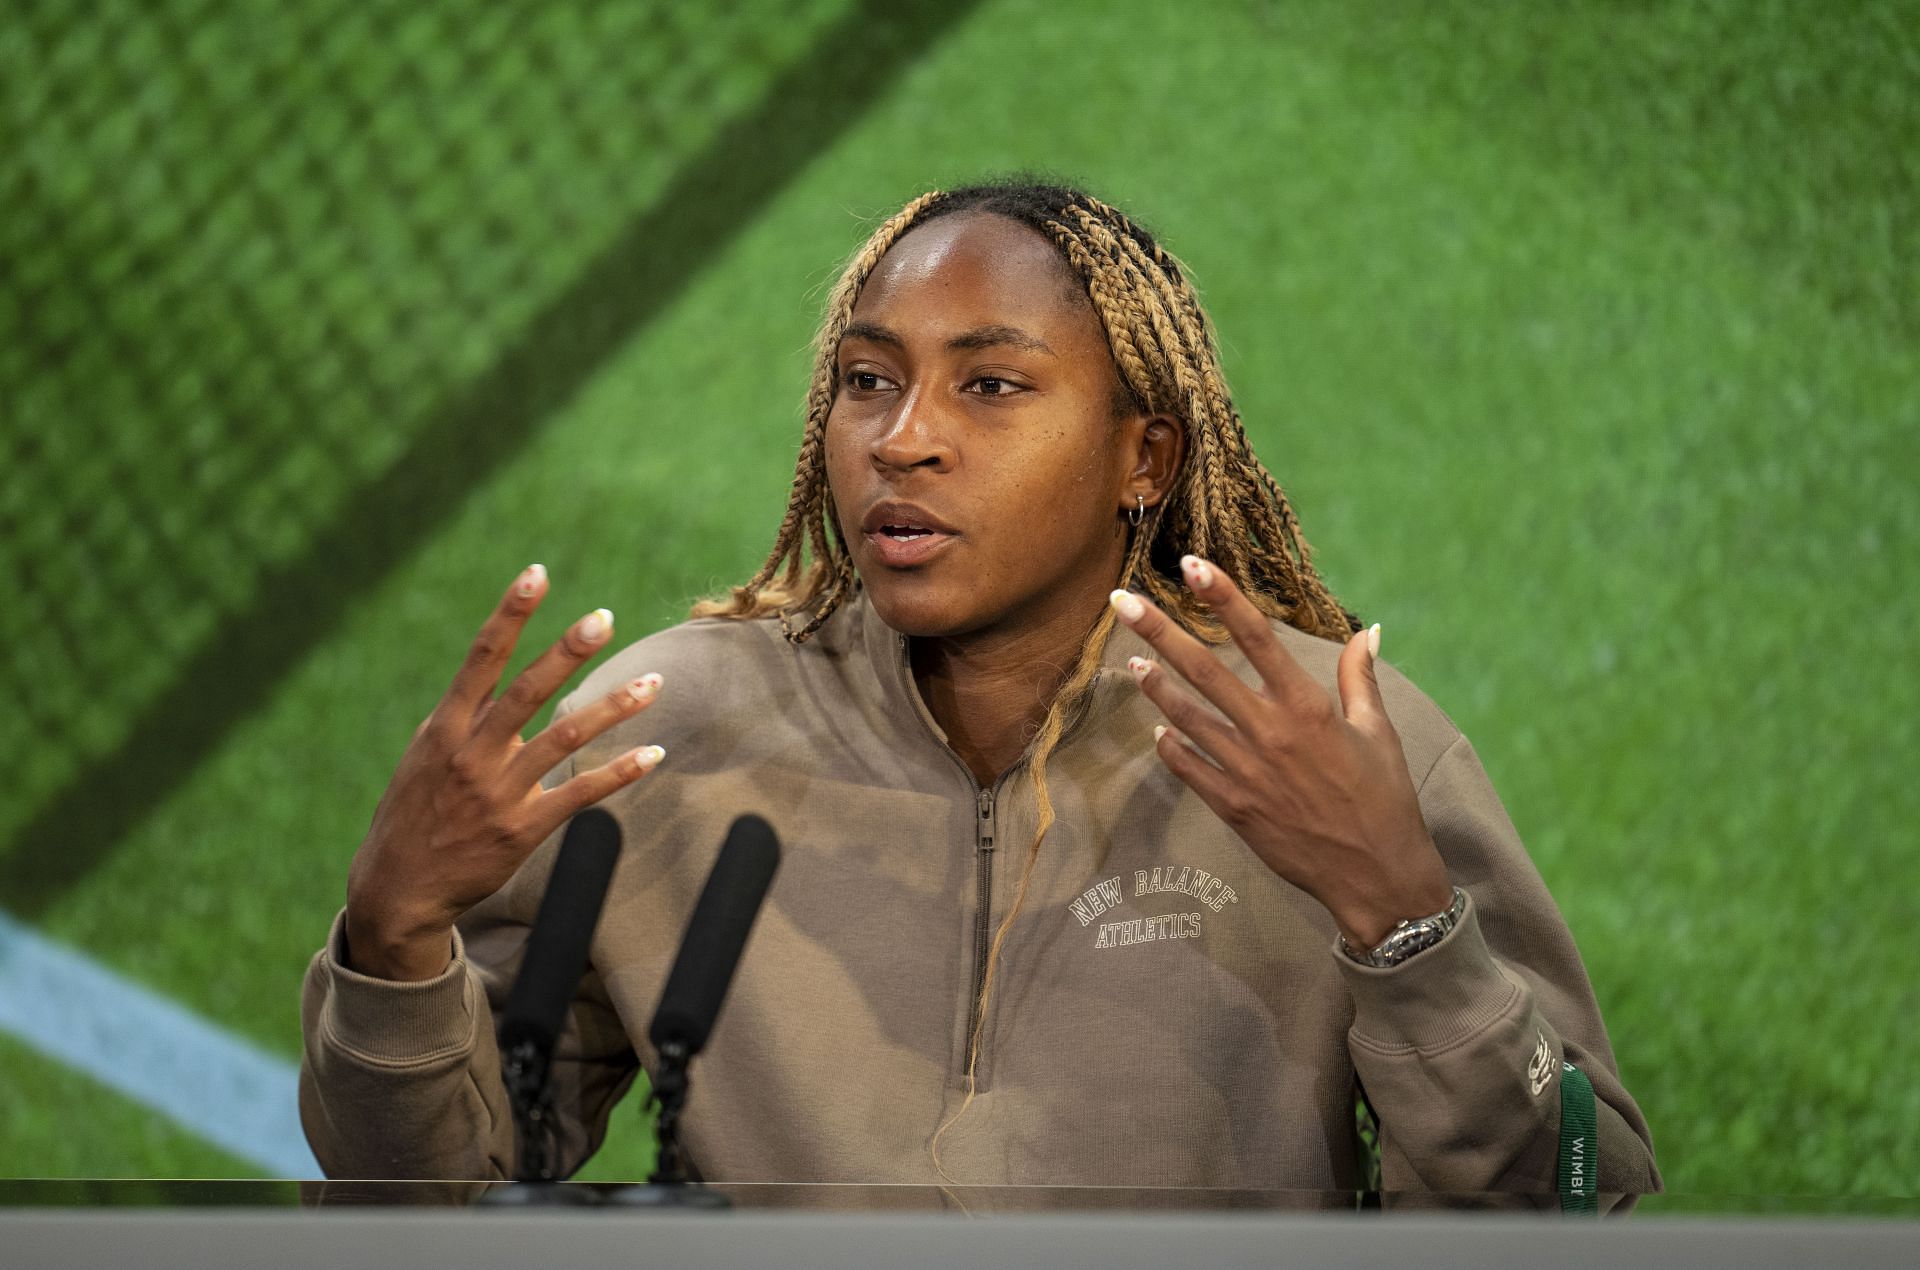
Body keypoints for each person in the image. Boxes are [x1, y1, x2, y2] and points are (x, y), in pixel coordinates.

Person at [300, 179, 1660, 1196]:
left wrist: (1406, 920)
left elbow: (1570, 1197)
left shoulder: (1334, 746)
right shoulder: (671, 739)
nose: (906, 440)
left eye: (992, 384)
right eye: (867, 381)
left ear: (1146, 455)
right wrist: (395, 932)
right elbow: (432, 1192)